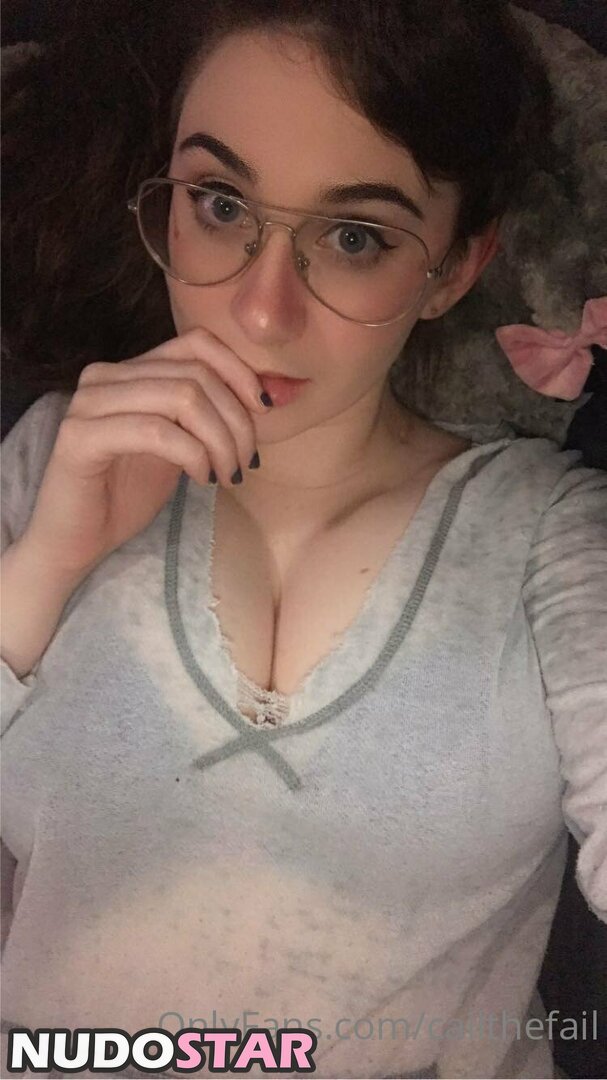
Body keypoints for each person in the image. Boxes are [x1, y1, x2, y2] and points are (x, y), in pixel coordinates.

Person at [1, 2, 605, 1077]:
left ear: (453, 269)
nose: (261, 312)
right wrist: (42, 569)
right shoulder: (55, 459)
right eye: (220, 204)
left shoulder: (550, 545)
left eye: (355, 236)